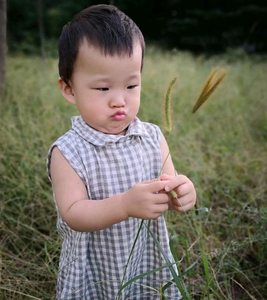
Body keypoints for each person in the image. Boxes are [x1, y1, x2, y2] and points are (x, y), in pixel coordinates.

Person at [47, 4, 197, 300]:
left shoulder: (152, 137)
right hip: (96, 264)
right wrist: (124, 205)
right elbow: (74, 213)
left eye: (131, 85)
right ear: (69, 89)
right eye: (103, 89)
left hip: (146, 256)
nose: (119, 100)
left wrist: (183, 192)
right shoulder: (67, 152)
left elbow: (171, 183)